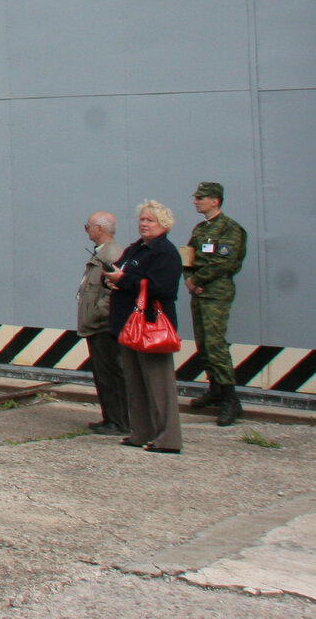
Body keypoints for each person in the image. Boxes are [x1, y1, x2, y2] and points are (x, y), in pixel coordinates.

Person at [103, 199, 184, 454]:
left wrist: (124, 279)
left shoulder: (165, 252)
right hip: (129, 325)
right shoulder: (137, 248)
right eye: (142, 219)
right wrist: (114, 280)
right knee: (135, 382)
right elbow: (124, 273)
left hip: (151, 326)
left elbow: (164, 288)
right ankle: (141, 433)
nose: (144, 224)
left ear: (164, 224)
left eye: (150, 220)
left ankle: (168, 438)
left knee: (159, 385)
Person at [184, 181, 247, 427]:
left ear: (215, 201)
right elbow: (187, 256)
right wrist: (189, 279)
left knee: (215, 343)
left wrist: (198, 279)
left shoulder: (230, 229)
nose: (196, 201)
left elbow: (225, 263)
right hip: (199, 292)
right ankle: (215, 389)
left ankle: (231, 399)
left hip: (216, 293)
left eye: (201, 198)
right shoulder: (201, 229)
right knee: (203, 343)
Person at [78, 211, 129, 436]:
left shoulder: (112, 255)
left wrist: (98, 313)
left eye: (88, 226)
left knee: (111, 374)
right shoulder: (102, 253)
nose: (87, 230)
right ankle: (110, 418)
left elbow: (112, 293)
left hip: (104, 326)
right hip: (97, 325)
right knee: (104, 375)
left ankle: (118, 421)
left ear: (99, 229)